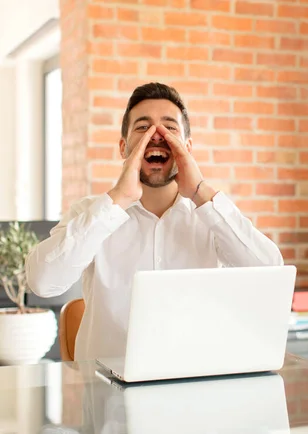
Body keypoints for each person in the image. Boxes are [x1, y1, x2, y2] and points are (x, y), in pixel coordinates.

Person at [25, 82, 284, 362]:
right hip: (108, 398)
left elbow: (272, 277)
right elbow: (42, 282)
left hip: (194, 390)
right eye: (143, 127)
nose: (157, 136)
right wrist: (117, 200)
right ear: (124, 148)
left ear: (187, 147)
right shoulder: (90, 213)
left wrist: (201, 192)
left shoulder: (213, 217)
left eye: (170, 128)